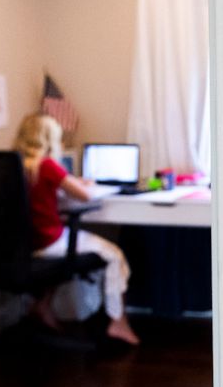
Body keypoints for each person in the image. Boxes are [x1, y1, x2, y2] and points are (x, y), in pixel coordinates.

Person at [13, 114, 140, 345]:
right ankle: (117, 321)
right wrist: (86, 185)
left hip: (27, 243)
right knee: (114, 254)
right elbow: (85, 196)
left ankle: (41, 305)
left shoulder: (17, 165)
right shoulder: (48, 165)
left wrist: (73, 181)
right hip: (51, 241)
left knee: (58, 264)